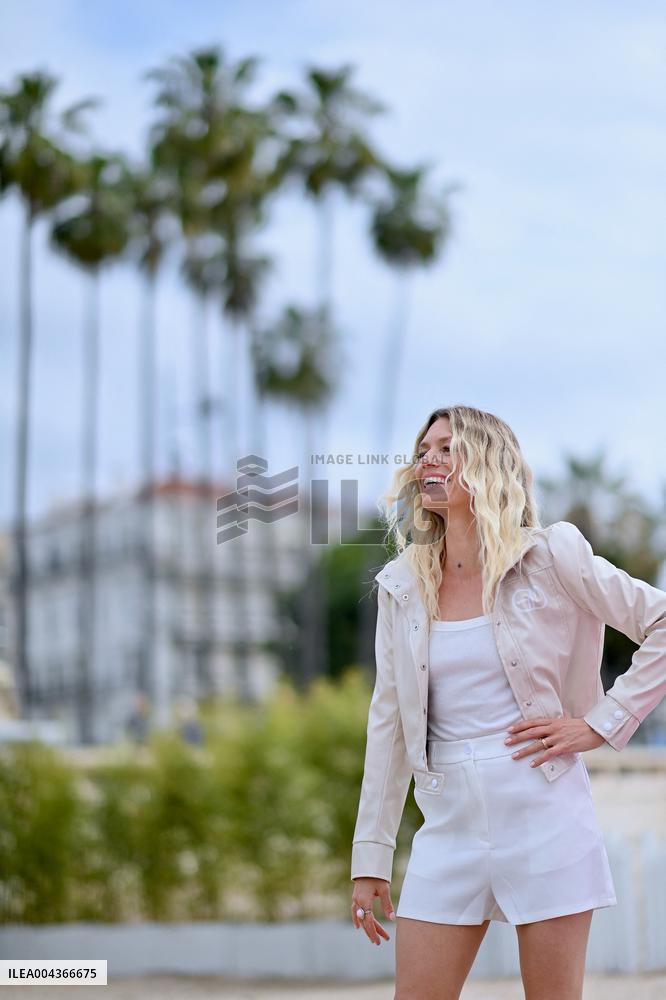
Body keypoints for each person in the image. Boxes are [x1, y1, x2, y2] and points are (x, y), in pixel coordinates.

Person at [350, 404, 666, 1000]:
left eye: (447, 449)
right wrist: (371, 855)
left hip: (545, 817)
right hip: (447, 829)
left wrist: (599, 725)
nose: (429, 462)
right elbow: (388, 723)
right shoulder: (401, 585)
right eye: (424, 451)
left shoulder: (551, 557)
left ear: (488, 464)